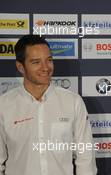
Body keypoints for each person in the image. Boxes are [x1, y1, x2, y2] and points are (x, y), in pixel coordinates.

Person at [0, 35, 97, 175]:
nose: (45, 68)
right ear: (20, 67)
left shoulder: (73, 102)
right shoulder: (4, 105)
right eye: (36, 62)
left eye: (49, 60)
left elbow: (85, 158)